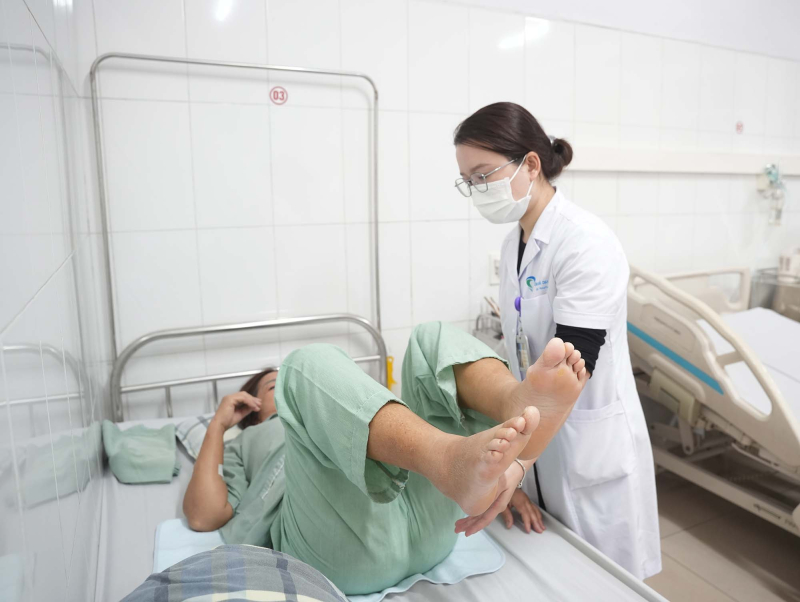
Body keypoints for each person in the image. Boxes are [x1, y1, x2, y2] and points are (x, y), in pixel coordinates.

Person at [183, 322, 587, 595]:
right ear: (253, 409)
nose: (280, 387)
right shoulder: (246, 441)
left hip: (432, 528)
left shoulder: (380, 422)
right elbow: (204, 515)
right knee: (302, 366)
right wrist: (218, 426)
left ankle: (513, 403)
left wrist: (508, 471)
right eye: (271, 387)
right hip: (344, 545)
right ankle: (450, 460)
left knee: (430, 337)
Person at [453, 102, 661, 579]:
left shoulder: (585, 242)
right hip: (544, 437)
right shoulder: (514, 243)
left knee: (608, 581)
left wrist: (517, 465)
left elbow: (571, 371)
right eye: (468, 181)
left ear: (530, 164)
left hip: (589, 446)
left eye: (483, 175)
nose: (477, 189)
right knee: (556, 571)